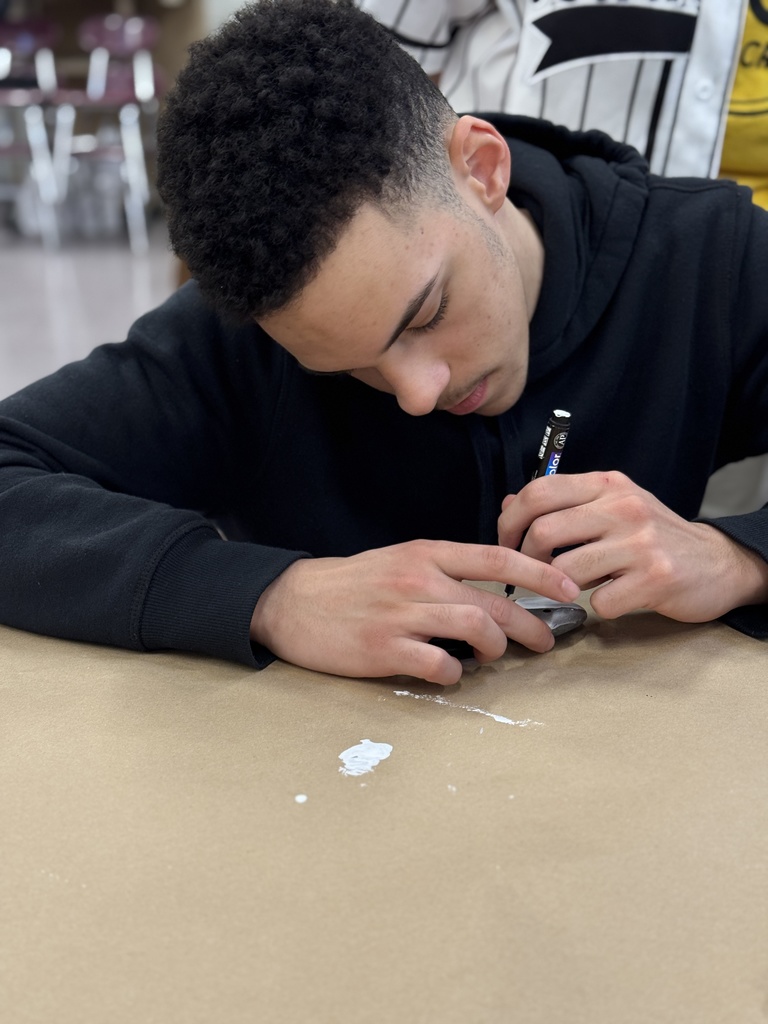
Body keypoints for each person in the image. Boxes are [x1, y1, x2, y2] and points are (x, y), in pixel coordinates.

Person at [0, 0, 766, 688]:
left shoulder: (709, 258)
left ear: (483, 167)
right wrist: (267, 594)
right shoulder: (235, 343)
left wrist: (739, 557)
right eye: (346, 365)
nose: (417, 393)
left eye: (427, 313)